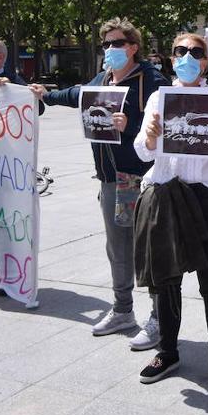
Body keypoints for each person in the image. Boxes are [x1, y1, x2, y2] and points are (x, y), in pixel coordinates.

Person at [32, 19, 164, 350]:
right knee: (118, 250)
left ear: (133, 47)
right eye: (106, 44)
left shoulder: (151, 81)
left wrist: (131, 124)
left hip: (139, 180)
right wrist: (45, 95)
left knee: (149, 252)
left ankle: (160, 318)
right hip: (109, 180)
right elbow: (77, 94)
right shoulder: (103, 79)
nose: (110, 49)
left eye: (117, 43)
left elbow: (163, 126)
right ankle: (122, 311)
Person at [133, 32, 208, 391]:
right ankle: (168, 351)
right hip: (165, 193)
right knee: (166, 279)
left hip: (207, 197)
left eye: (196, 51)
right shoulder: (159, 98)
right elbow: (142, 151)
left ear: (206, 60)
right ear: (172, 57)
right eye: (181, 51)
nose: (188, 57)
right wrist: (150, 136)